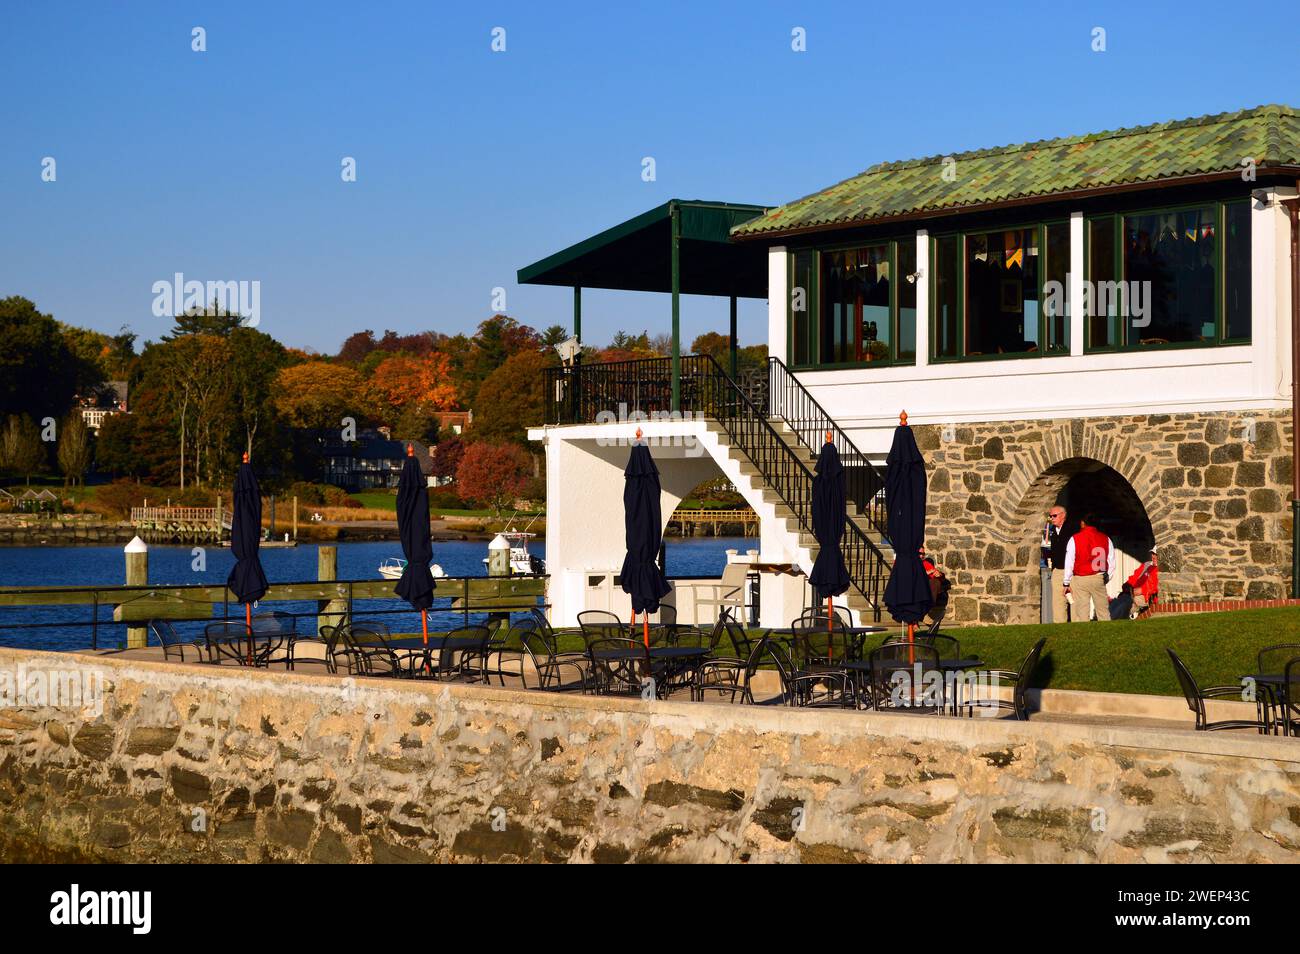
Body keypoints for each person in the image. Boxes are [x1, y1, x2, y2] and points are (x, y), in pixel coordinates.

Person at [1062, 513, 1115, 623]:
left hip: (1081, 578)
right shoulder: (1106, 538)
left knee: (1082, 613)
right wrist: (1107, 577)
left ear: (1083, 523)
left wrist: (1066, 582)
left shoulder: (1075, 539)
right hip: (1098, 577)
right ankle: (1107, 634)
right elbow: (1111, 562)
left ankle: (1083, 636)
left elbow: (1069, 562)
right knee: (1103, 612)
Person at [1041, 505, 1077, 623]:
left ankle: (1077, 626)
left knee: (1074, 601)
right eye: (1050, 516)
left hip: (1072, 571)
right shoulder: (1052, 531)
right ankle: (1059, 626)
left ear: (1063, 515)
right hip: (1057, 570)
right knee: (1057, 602)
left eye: (1054, 516)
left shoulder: (1072, 529)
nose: (1052, 518)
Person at [1125, 547, 1159, 618]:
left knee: (1129, 603)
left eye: (1156, 554)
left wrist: (1142, 590)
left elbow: (1158, 586)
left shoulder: (1163, 570)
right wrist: (1128, 585)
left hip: (1149, 597)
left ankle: (1119, 617)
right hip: (1135, 593)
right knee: (1123, 598)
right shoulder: (1147, 565)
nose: (1153, 556)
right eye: (1152, 553)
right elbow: (1135, 576)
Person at [919, 545, 950, 623]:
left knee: (935, 582)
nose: (922, 556)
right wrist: (926, 573)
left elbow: (938, 574)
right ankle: (921, 614)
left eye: (923, 554)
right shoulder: (910, 563)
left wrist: (939, 574)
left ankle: (924, 612)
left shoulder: (926, 563)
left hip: (927, 589)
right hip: (916, 588)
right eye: (919, 553)